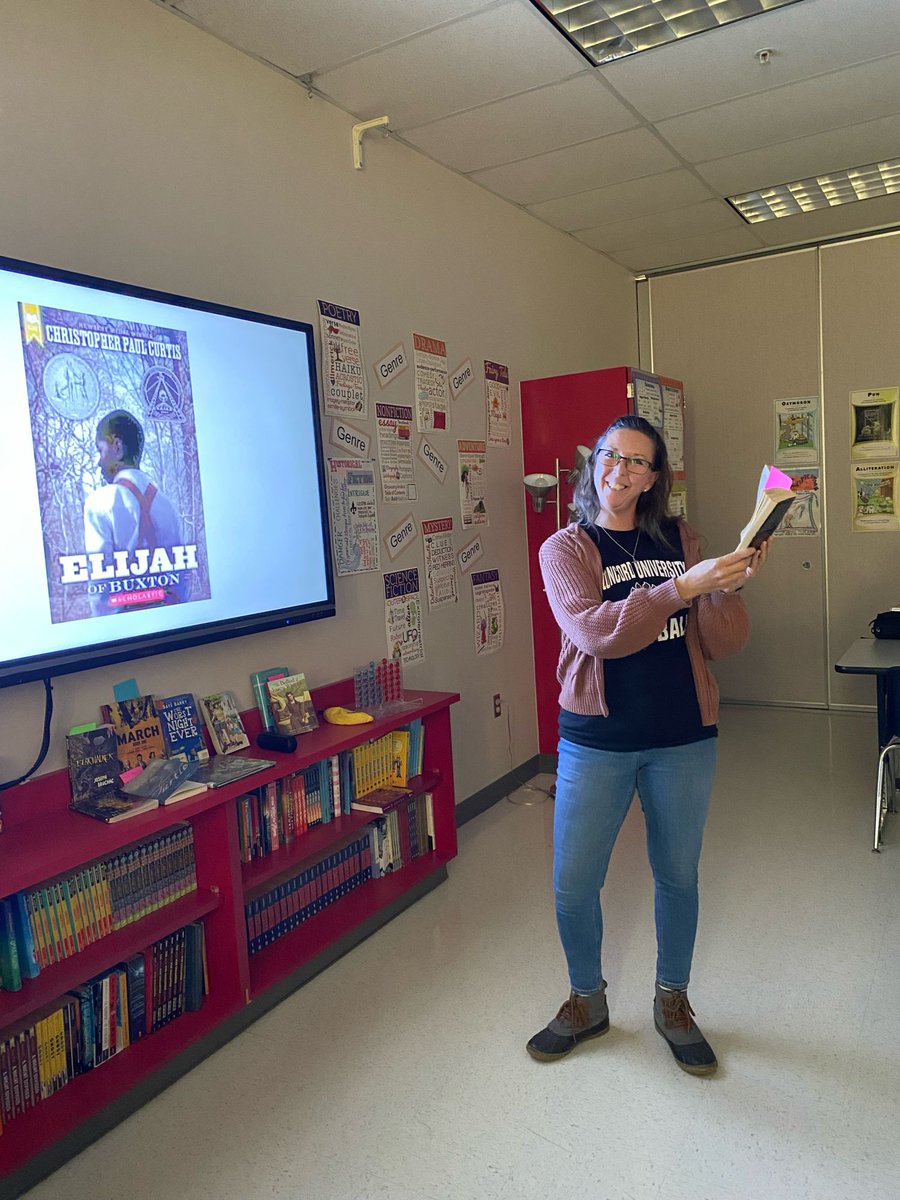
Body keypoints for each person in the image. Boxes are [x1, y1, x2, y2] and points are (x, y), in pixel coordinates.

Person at [527, 414, 768, 1076]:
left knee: (678, 875)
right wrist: (684, 587)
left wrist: (725, 589)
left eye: (637, 462)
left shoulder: (680, 538)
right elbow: (597, 632)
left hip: (683, 735)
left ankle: (673, 1001)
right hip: (596, 741)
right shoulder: (566, 549)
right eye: (610, 456)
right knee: (574, 883)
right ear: (593, 462)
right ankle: (587, 999)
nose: (620, 470)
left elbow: (724, 643)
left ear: (654, 477)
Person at [83, 409, 186, 614]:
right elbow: (181, 583)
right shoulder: (169, 507)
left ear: (117, 447)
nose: (98, 461)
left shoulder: (100, 503)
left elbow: (100, 589)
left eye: (100, 450)